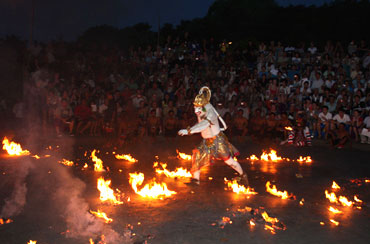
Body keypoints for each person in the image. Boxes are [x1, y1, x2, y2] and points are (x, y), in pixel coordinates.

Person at [178, 87, 249, 186]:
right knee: (197, 155)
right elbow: (200, 123)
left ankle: (243, 175)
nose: (195, 111)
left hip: (217, 141)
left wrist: (188, 131)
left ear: (203, 106)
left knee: (229, 161)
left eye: (198, 108)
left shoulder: (210, 113)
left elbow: (204, 125)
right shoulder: (202, 107)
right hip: (206, 141)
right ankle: (196, 180)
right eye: (195, 108)